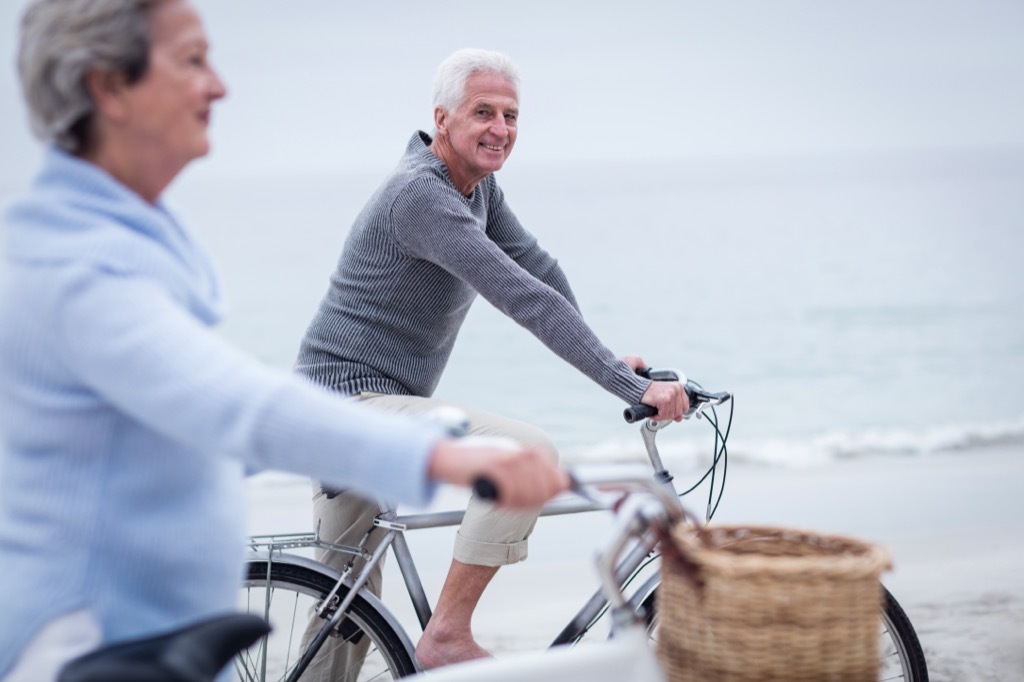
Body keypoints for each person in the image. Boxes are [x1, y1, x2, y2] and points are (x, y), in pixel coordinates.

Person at [0, 4, 569, 681]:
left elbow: (187, 439)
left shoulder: (131, 239)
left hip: (152, 640)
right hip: (86, 653)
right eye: (192, 61)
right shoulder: (77, 266)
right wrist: (442, 453)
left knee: (340, 620)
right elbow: (237, 406)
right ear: (107, 87)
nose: (220, 86)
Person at [294, 47, 689, 672]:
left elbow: (539, 270)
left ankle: (424, 640)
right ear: (442, 118)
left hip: (358, 407)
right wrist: (621, 384)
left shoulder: (476, 188)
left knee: (343, 623)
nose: (500, 129)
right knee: (524, 454)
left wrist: (613, 362)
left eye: (510, 115)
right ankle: (447, 635)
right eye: (484, 112)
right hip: (347, 406)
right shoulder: (419, 197)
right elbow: (521, 297)